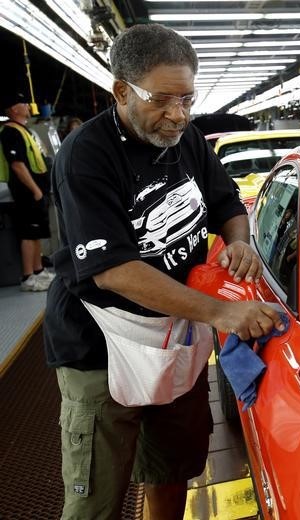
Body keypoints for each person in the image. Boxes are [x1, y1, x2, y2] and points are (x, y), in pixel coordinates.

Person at [43, 24, 284, 520]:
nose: (177, 115)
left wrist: (239, 242)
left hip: (177, 332)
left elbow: (226, 204)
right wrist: (223, 313)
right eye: (162, 100)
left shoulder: (187, 139)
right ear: (122, 91)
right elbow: (112, 271)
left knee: (172, 470)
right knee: (96, 501)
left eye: (187, 100)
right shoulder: (86, 156)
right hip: (102, 346)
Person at [0, 90, 54, 291]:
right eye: (24, 104)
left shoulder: (25, 130)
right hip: (26, 192)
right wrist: (35, 190)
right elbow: (17, 164)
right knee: (28, 233)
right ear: (15, 108)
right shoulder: (11, 132)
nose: (29, 107)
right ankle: (28, 276)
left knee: (36, 232)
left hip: (35, 191)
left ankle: (39, 271)